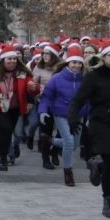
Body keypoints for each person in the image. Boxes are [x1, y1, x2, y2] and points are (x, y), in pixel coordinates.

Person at [68, 38, 110, 219]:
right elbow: (78, 99)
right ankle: (108, 201)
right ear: (104, 57)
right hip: (101, 125)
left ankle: (97, 164)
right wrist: (73, 117)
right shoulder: (94, 77)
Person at [0, 45, 37, 175]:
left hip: (13, 109)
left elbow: (32, 88)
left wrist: (32, 87)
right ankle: (4, 159)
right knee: (6, 129)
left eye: (15, 59)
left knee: (0, 136)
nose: (13, 62)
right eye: (9, 59)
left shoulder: (22, 72)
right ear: (2, 60)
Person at [39, 43, 87, 186]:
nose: (76, 65)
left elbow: (89, 99)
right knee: (69, 142)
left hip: (79, 115)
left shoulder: (85, 79)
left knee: (75, 144)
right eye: (73, 62)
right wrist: (42, 111)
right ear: (68, 62)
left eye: (79, 62)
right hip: (61, 113)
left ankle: (49, 140)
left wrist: (90, 115)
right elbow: (47, 96)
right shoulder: (57, 78)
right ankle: (68, 172)